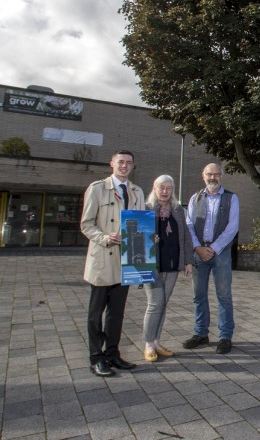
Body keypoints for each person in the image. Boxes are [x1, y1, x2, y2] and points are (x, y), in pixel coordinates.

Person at [81, 149, 145, 377]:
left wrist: (149, 237)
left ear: (133, 166)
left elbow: (139, 224)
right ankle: (96, 357)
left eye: (129, 162)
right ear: (112, 164)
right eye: (121, 162)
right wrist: (105, 238)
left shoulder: (137, 191)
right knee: (95, 312)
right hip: (102, 259)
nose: (124, 166)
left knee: (116, 313)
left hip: (126, 261)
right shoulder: (97, 189)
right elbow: (86, 224)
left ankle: (112, 354)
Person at [183, 163, 239, 354]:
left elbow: (232, 228)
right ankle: (200, 333)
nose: (213, 178)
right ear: (203, 175)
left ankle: (225, 336)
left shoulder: (232, 198)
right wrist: (198, 248)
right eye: (209, 174)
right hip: (199, 252)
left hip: (221, 252)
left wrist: (212, 249)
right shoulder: (195, 198)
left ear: (221, 176)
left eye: (216, 174)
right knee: (198, 295)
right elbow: (189, 224)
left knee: (224, 295)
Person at [142, 175, 193, 362]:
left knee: (163, 304)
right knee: (155, 304)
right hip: (152, 265)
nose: (165, 191)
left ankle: (156, 341)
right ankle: (148, 344)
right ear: (154, 189)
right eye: (161, 187)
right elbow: (137, 234)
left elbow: (186, 236)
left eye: (169, 188)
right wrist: (149, 239)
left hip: (172, 264)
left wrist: (188, 261)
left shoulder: (178, 210)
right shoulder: (146, 209)